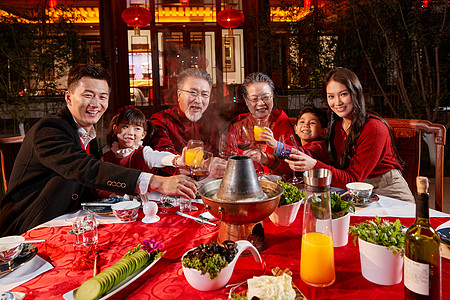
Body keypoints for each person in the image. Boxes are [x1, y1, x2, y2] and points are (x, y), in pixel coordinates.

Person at [0, 64, 197, 236]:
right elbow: (85, 168)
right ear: (68, 97)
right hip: (30, 228)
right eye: (88, 95)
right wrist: (156, 182)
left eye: (102, 96)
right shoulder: (50, 129)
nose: (96, 104)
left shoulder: (90, 136)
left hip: (72, 223)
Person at [288, 67, 414, 202]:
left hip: (387, 190)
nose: (337, 102)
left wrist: (314, 165)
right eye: (331, 96)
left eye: (343, 94)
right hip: (355, 191)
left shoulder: (374, 128)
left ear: (355, 93)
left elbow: (353, 178)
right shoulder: (337, 126)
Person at [97, 106, 188, 198]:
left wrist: (177, 160)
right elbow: (99, 187)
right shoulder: (106, 158)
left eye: (137, 128)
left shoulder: (144, 153)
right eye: (126, 126)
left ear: (143, 135)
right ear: (115, 129)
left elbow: (159, 157)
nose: (130, 132)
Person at [150, 68, 226, 177]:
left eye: (204, 95)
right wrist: (204, 167)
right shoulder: (161, 121)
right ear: (179, 94)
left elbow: (218, 156)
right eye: (193, 93)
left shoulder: (212, 122)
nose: (198, 100)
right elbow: (160, 163)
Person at [227, 72, 297, 174]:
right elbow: (228, 159)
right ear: (246, 100)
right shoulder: (238, 125)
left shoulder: (282, 121)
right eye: (254, 99)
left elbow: (294, 164)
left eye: (265, 97)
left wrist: (266, 159)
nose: (261, 103)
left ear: (272, 96)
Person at [245, 104, 329, 173]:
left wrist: (275, 144)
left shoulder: (319, 147)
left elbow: (301, 154)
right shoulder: (301, 146)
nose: (305, 125)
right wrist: (264, 158)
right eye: (302, 122)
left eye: (312, 123)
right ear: (295, 129)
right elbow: (288, 165)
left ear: (323, 132)